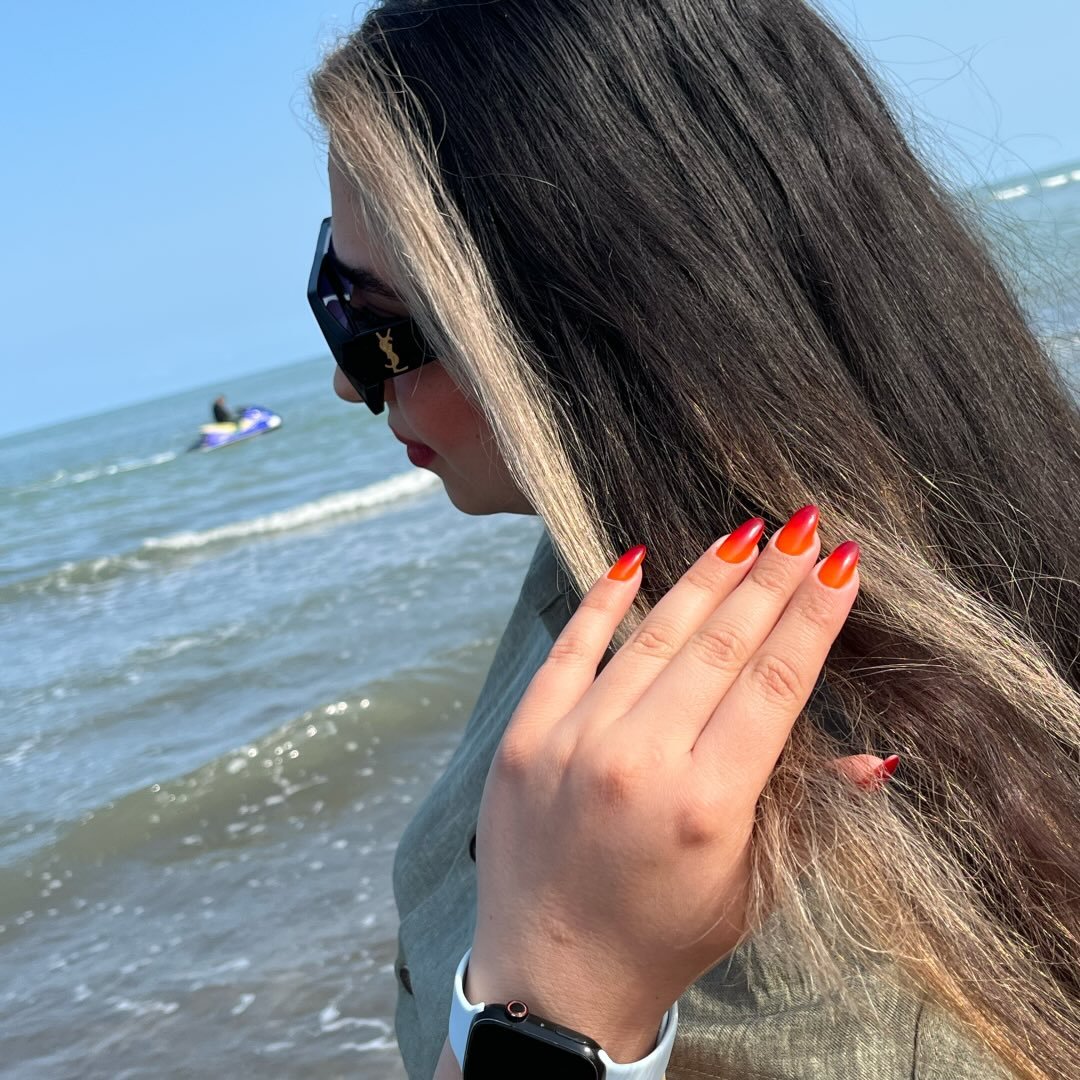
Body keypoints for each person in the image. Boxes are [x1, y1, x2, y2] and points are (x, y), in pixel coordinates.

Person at [305, 2, 1080, 1078]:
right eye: (329, 290)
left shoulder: (840, 908)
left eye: (376, 324)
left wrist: (553, 1004)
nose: (349, 382)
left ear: (602, 338)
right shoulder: (609, 559)